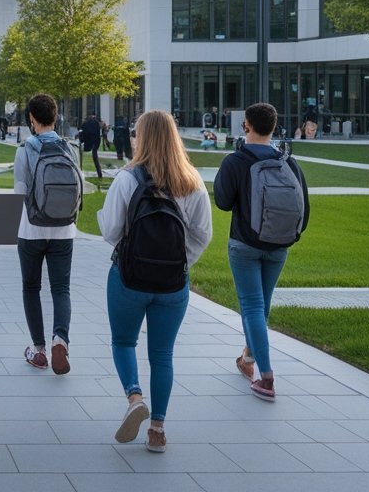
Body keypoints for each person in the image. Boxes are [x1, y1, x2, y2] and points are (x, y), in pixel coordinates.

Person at [98, 109, 212, 454]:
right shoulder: (191, 180)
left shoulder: (127, 178)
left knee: (123, 342)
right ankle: (158, 429)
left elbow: (110, 231)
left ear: (142, 138)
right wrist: (180, 263)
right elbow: (202, 235)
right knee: (162, 353)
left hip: (129, 278)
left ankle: (134, 398)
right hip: (173, 283)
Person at [216, 102, 311, 402]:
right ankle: (247, 357)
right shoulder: (289, 163)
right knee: (262, 306)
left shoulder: (236, 161)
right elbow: (304, 210)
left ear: (246, 125)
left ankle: (266, 377)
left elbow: (221, 201)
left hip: (244, 244)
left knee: (253, 307)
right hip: (279, 245)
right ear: (273, 126)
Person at [14, 94, 78, 375]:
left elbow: (19, 194)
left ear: (31, 118)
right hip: (64, 230)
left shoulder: (25, 149)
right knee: (61, 289)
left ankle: (39, 350)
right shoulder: (70, 148)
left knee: (32, 287)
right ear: (55, 116)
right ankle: (60, 339)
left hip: (31, 229)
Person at [79, 112, 103, 180]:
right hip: (94, 143)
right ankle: (99, 174)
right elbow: (98, 135)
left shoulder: (85, 123)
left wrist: (81, 140)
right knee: (95, 159)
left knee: (81, 159)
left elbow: (82, 133)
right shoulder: (96, 123)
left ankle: (80, 172)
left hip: (87, 143)